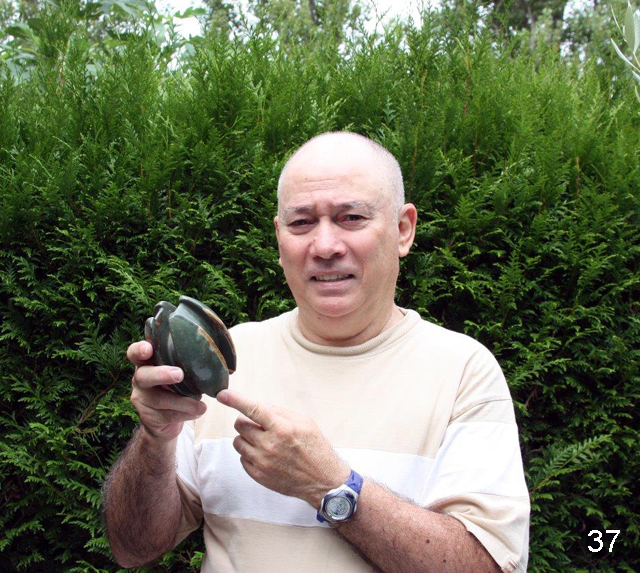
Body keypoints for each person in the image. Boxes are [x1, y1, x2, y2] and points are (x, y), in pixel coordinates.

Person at [103, 132, 530, 572]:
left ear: (403, 230)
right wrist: (156, 437)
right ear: (279, 238)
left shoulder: (463, 371)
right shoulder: (224, 360)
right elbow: (133, 549)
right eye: (302, 223)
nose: (325, 246)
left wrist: (328, 485)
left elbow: (488, 566)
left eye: (351, 217)